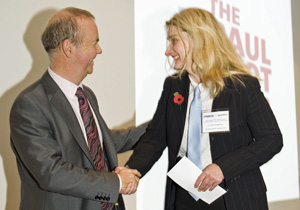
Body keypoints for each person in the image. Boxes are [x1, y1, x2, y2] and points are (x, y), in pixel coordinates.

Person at [124, 8, 283, 210]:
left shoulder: (241, 86)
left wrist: (223, 168)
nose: (167, 51)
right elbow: (155, 137)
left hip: (233, 198)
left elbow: (271, 140)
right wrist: (131, 171)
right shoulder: (173, 87)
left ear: (197, 39)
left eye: (174, 41)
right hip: (184, 199)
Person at [10, 7, 146, 210]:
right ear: (69, 48)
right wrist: (116, 183)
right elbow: (52, 173)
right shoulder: (29, 105)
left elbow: (100, 143)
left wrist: (161, 123)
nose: (99, 50)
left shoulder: (86, 94)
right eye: (94, 43)